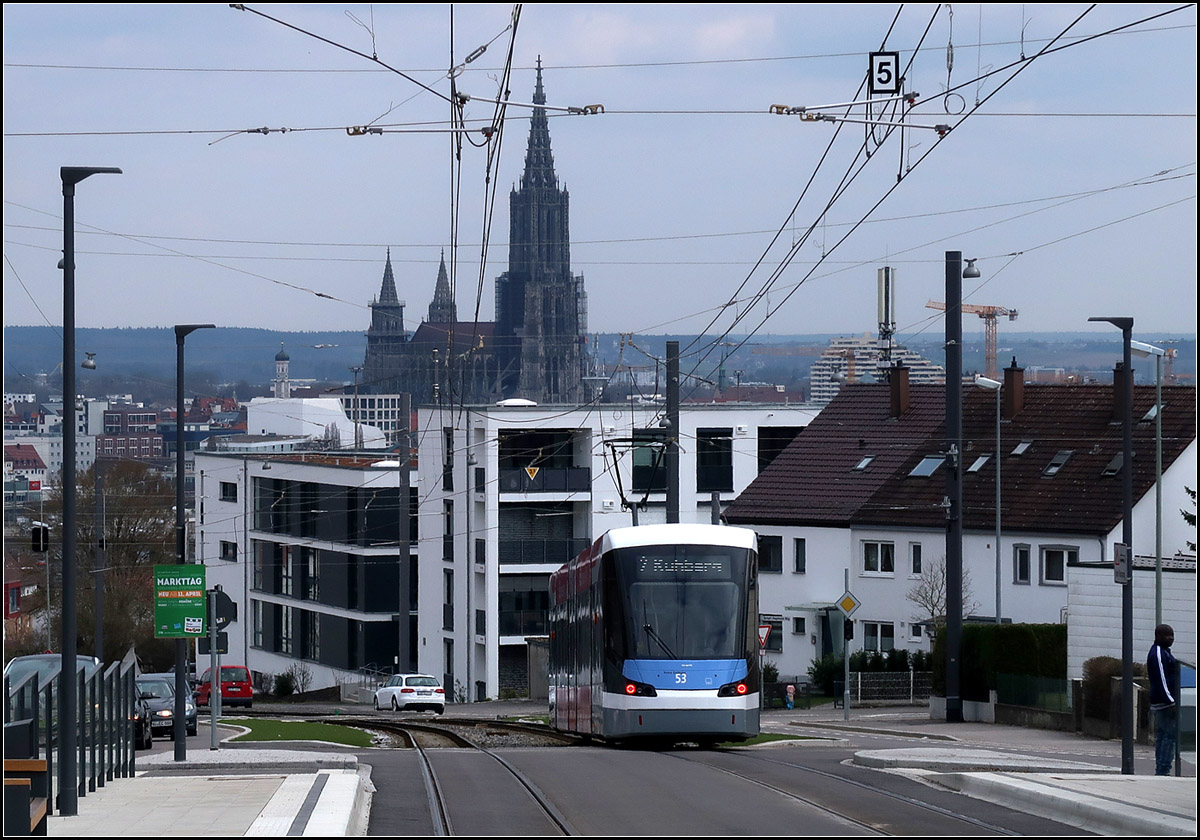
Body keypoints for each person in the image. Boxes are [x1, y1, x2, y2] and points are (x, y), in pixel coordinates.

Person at [1147, 623, 1179, 776]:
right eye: (1167, 635)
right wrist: (1170, 701)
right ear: (1158, 636)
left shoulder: (1164, 652)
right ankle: (1163, 770)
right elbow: (1161, 680)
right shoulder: (1158, 654)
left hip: (1163, 702)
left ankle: (1161, 768)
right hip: (1164, 703)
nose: (1171, 638)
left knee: (1163, 736)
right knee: (1168, 737)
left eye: (1172, 635)